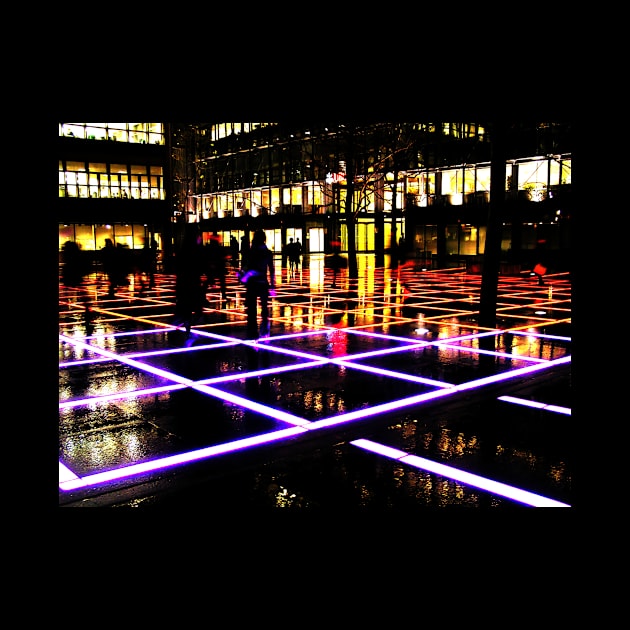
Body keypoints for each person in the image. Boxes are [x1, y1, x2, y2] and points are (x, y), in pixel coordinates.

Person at [242, 229, 276, 339]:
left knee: (252, 310)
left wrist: (244, 275)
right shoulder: (268, 252)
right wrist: (272, 285)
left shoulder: (251, 252)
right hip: (263, 282)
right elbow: (271, 269)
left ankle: (252, 333)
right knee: (264, 308)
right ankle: (265, 328)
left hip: (252, 283)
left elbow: (247, 267)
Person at [174, 229, 204, 336]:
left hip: (185, 282)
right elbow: (199, 266)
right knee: (194, 306)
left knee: (187, 307)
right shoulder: (195, 251)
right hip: (191, 282)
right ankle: (188, 324)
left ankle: (187, 326)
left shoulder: (183, 251)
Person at [202, 233, 228, 301]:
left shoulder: (209, 248)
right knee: (221, 281)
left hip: (213, 267)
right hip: (218, 267)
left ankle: (202, 294)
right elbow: (222, 256)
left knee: (210, 280)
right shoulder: (218, 248)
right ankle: (224, 295)